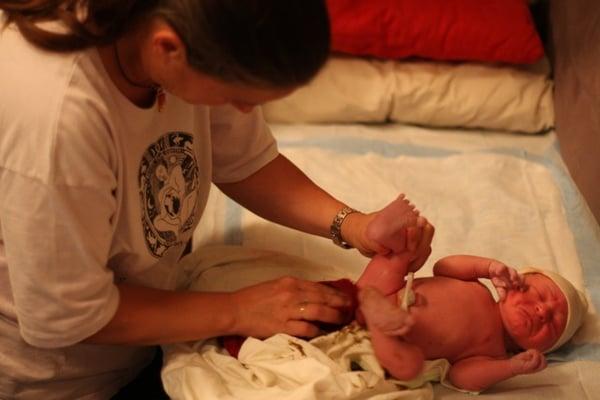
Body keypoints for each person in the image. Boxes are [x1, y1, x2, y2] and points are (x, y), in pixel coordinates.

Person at [0, 1, 434, 398]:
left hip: (151, 340)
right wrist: (236, 309)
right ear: (168, 48)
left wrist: (353, 225)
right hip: (56, 382)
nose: (243, 113)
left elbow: (244, 161)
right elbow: (68, 314)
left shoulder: (186, 33)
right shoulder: (58, 117)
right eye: (235, 98)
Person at [357, 253, 588, 392]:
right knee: (399, 258)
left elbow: (461, 377)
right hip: (389, 290)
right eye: (538, 294)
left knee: (410, 368)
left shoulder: (493, 354)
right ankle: (369, 301)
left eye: (554, 324)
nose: (542, 311)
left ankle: (380, 327)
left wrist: (511, 368)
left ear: (544, 350)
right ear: (513, 280)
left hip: (394, 344)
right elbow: (443, 267)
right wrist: (488, 267)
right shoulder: (478, 288)